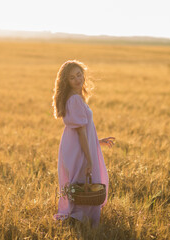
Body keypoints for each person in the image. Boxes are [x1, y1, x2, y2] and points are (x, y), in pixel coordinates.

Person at [52, 60, 115, 227]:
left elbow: (84, 129)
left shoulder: (76, 98)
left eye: (79, 74)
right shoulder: (75, 99)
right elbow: (80, 132)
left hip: (76, 145)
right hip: (78, 148)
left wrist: (98, 141)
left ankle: (78, 218)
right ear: (66, 81)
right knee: (83, 180)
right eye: (72, 77)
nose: (77, 79)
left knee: (79, 181)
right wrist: (89, 158)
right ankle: (79, 220)